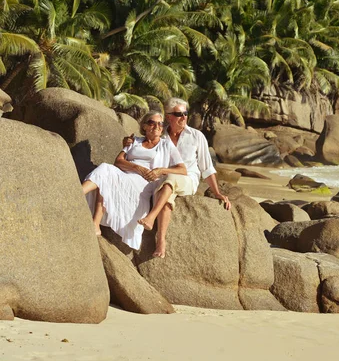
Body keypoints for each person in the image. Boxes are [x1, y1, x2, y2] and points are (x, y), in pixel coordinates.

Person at [129, 98, 231, 258]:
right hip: (163, 181)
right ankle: (161, 240)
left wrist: (217, 192)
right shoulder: (161, 135)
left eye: (185, 113)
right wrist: (129, 141)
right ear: (169, 116)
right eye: (179, 114)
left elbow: (207, 168)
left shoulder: (197, 136)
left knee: (170, 179)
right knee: (166, 196)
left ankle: (151, 217)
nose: (184, 117)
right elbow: (144, 144)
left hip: (188, 180)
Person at [82, 111, 187, 250]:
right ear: (144, 126)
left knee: (107, 174)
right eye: (152, 122)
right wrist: (137, 167)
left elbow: (182, 170)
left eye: (160, 124)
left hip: (143, 185)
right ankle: (93, 221)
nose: (157, 126)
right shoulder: (134, 141)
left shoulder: (166, 145)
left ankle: (78, 195)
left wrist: (161, 170)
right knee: (105, 169)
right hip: (125, 175)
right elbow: (118, 161)